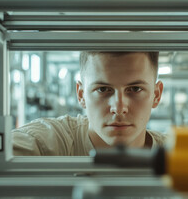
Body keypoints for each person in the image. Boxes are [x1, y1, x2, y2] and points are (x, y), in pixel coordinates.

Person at [11, 51, 166, 156]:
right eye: (103, 89)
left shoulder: (176, 153)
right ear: (81, 94)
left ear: (156, 94)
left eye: (135, 89)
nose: (118, 108)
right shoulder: (51, 143)